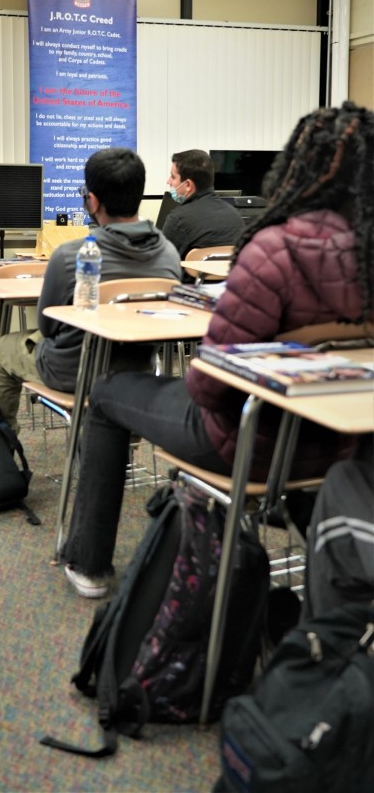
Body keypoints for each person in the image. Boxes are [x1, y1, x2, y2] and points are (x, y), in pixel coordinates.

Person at [62, 101, 374, 598]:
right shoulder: (367, 256)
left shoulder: (276, 250)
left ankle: (90, 564)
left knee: (105, 393)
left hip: (249, 445)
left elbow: (208, 384)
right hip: (343, 452)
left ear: (296, 168)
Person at [0, 147, 182, 432]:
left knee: (4, 348)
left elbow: (48, 326)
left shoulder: (71, 255)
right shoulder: (169, 253)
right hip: (137, 372)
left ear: (91, 201)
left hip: (73, 371)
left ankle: (0, 448)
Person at [162, 148, 244, 260]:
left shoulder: (178, 220)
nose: (169, 182)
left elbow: (162, 264)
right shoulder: (235, 216)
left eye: (173, 177)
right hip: (231, 277)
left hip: (192, 277)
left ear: (188, 185)